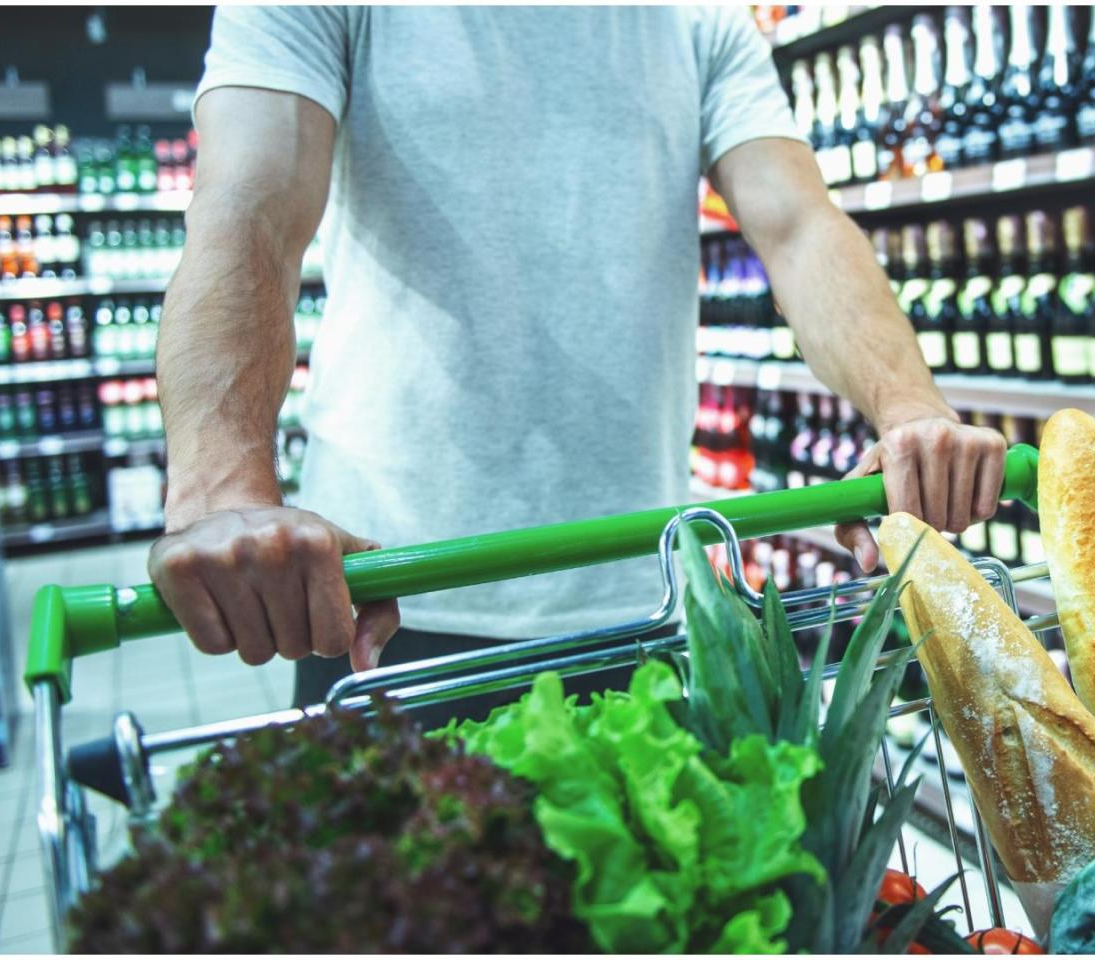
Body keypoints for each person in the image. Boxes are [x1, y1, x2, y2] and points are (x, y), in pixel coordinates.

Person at [151, 6, 1008, 718]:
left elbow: (800, 226)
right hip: (387, 602)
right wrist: (222, 489)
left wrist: (909, 409)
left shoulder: (698, 20)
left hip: (642, 609)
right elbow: (250, 208)